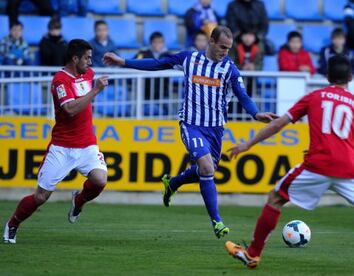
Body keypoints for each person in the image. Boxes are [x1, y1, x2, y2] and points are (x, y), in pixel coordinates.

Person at [224, 55, 354, 273]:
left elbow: (278, 124)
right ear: (350, 77)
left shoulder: (314, 97)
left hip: (318, 164)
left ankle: (253, 254)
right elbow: (352, 142)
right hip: (349, 168)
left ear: (327, 76)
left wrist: (247, 144)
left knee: (275, 199)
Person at [103, 26, 277, 239]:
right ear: (211, 41)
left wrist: (255, 113)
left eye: (229, 48)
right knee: (205, 165)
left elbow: (243, 95)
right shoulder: (189, 59)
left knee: (207, 169)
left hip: (215, 129)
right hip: (191, 124)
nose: (225, 51)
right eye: (222, 47)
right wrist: (123, 62)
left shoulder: (229, 69)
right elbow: (157, 64)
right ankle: (217, 221)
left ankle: (173, 183)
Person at [3, 39, 109, 244]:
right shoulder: (60, 81)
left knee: (100, 180)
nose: (90, 62)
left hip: (87, 144)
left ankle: (79, 200)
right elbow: (69, 110)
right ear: (74, 58)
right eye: (86, 58)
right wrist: (95, 91)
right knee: (41, 197)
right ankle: (13, 223)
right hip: (62, 147)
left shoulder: (88, 74)